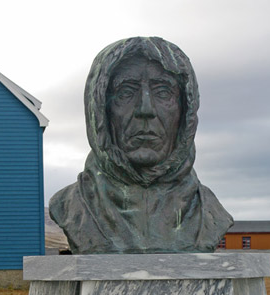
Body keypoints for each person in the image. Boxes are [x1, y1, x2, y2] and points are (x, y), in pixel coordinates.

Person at [49, 37, 233, 253]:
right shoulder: (70, 207)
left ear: (186, 111)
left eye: (163, 93)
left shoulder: (209, 212)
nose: (145, 109)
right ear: (99, 110)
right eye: (126, 92)